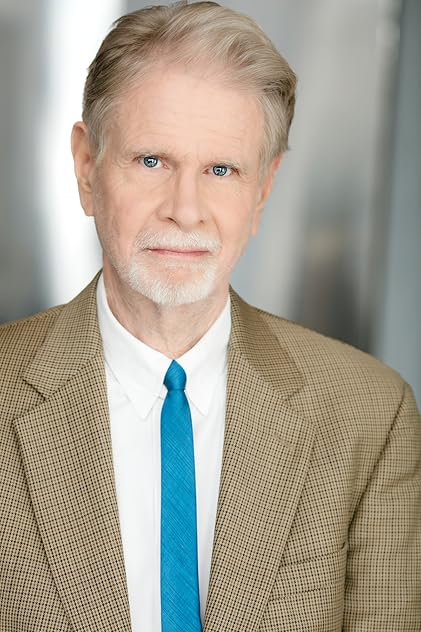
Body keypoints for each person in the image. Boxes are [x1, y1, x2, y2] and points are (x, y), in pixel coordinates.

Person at [0, 2, 420, 631]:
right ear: (87, 167)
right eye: (152, 161)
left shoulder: (368, 413)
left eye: (221, 170)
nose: (186, 209)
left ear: (263, 188)